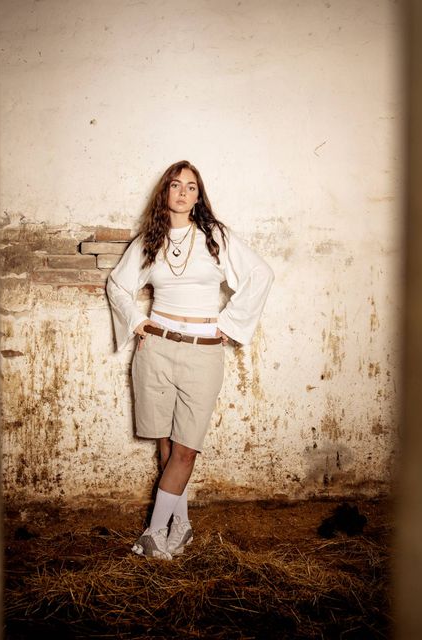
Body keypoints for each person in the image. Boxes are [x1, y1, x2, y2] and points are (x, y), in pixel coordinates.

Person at [106, 160, 274, 560]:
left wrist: (228, 324)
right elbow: (118, 285)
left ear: (199, 196)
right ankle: (179, 527)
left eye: (191, 187)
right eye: (176, 185)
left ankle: (153, 533)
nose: (182, 192)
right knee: (165, 447)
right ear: (165, 191)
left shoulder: (215, 237)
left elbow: (261, 275)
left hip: (203, 352)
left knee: (185, 449)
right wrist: (137, 321)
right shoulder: (149, 240)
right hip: (156, 350)